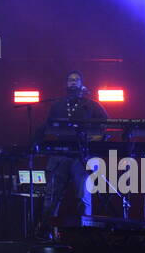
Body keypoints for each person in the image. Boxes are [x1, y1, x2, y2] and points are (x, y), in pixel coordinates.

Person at [34, 71, 109, 229]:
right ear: (66, 84)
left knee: (83, 196)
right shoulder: (57, 104)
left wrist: (94, 141)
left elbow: (105, 128)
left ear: (82, 84)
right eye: (70, 80)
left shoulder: (91, 105)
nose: (73, 82)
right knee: (51, 196)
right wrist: (36, 143)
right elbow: (46, 127)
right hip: (60, 154)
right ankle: (47, 232)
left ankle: (86, 234)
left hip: (81, 156)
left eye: (76, 80)